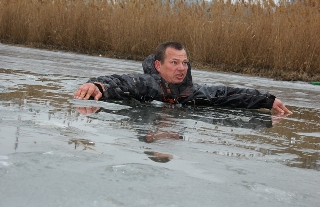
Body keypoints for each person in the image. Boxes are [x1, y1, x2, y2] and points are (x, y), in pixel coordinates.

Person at [74, 41, 292, 115]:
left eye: (184, 63)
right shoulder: (147, 84)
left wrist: (267, 100)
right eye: (174, 63)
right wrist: (97, 85)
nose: (181, 68)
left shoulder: (190, 92)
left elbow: (227, 94)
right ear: (158, 66)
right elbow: (122, 82)